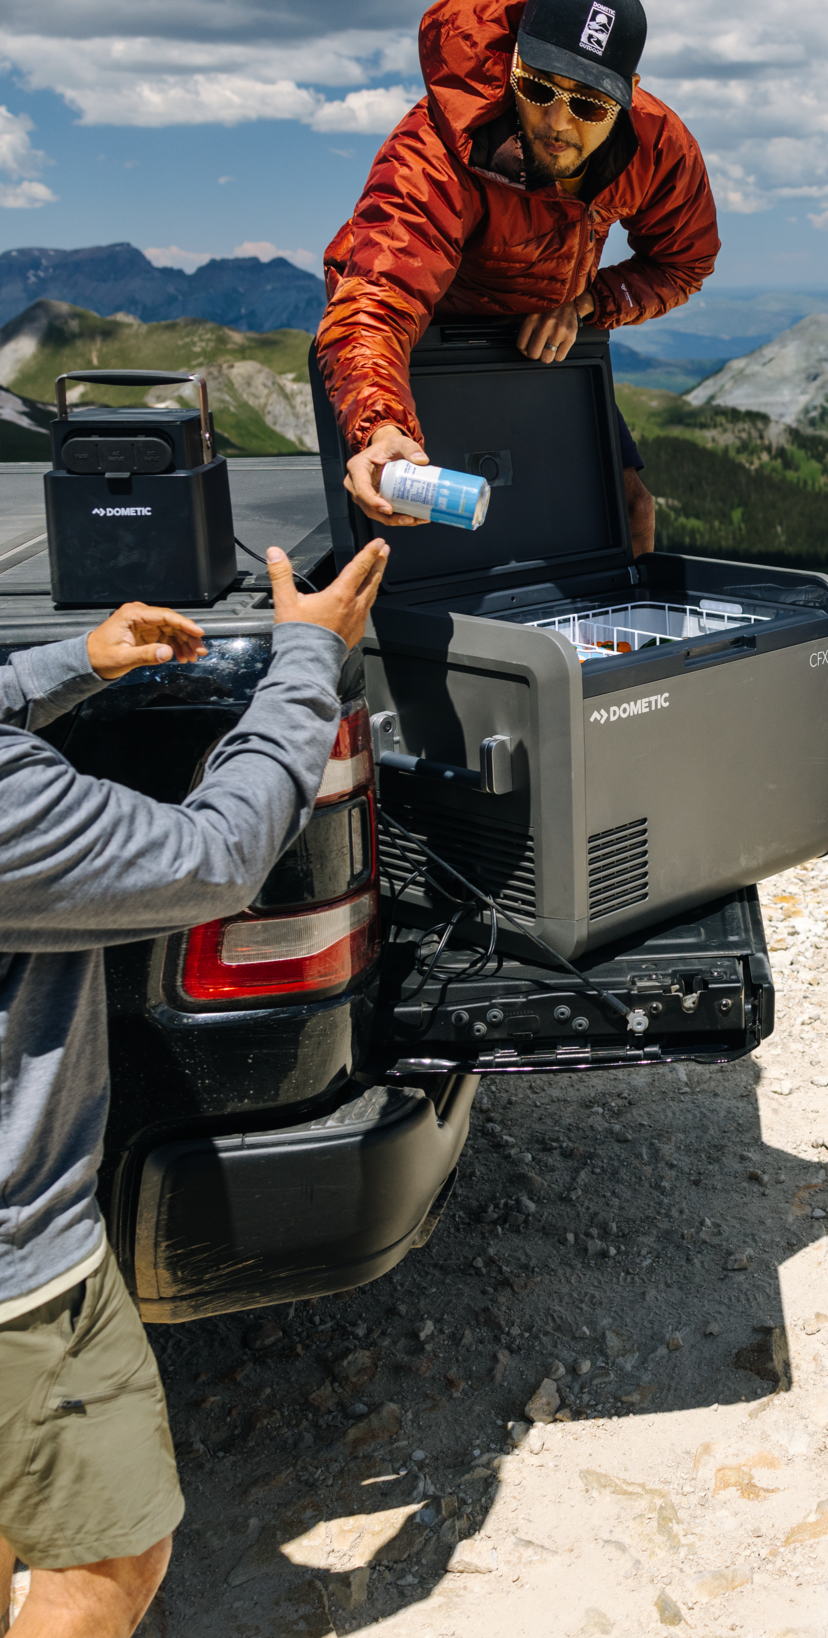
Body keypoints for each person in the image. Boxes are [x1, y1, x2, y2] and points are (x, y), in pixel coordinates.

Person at [0, 539, 389, 1638]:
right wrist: (306, 659)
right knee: (109, 1556)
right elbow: (214, 857)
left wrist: (63, 668)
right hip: (17, 1277)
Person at [315, 0, 722, 558]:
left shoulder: (658, 146)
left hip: (536, 332)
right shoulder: (436, 145)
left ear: (627, 93)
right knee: (420, 541)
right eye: (537, 88)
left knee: (629, 510)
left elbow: (684, 262)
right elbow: (380, 297)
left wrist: (587, 303)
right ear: (513, 65)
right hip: (425, 339)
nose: (557, 123)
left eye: (589, 105)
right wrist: (380, 425)